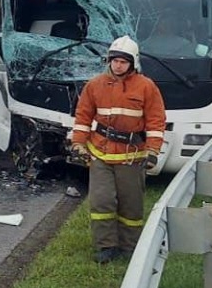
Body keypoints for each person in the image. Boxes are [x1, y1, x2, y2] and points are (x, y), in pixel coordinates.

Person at [70, 36, 166, 264]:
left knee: (130, 204)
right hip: (100, 154)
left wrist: (153, 151)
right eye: (115, 61)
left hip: (131, 156)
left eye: (123, 61)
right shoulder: (94, 85)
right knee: (101, 202)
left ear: (133, 63)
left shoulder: (146, 87)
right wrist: (78, 144)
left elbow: (156, 121)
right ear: (109, 61)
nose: (118, 65)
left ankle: (129, 247)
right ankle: (105, 247)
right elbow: (83, 118)